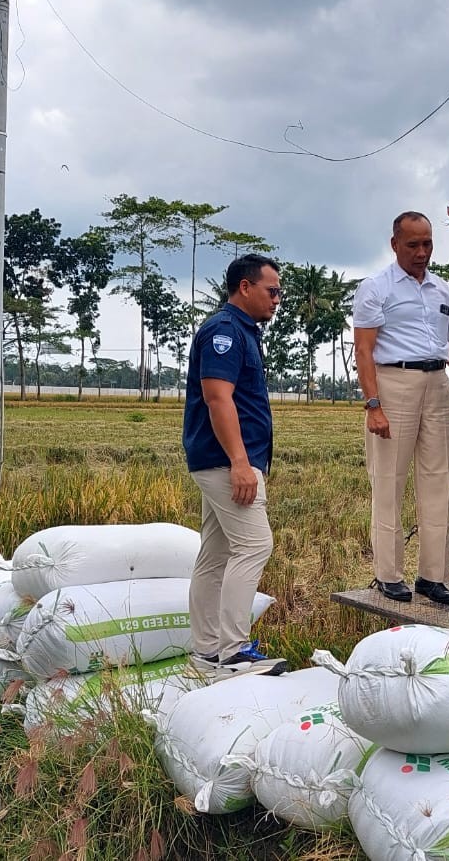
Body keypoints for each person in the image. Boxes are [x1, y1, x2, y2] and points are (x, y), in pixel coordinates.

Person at [354, 211, 449, 604]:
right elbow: (364, 350)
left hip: (438, 385)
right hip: (393, 383)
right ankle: (389, 574)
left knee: (438, 480)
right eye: (413, 245)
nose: (422, 252)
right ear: (394, 245)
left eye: (428, 244)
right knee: (389, 480)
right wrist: (374, 405)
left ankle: (432, 576)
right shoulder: (376, 288)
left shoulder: (443, 292)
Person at [183, 253, 282, 670]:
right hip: (226, 462)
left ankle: (206, 650)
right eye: (271, 291)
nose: (277, 299)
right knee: (256, 545)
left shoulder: (241, 331)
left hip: (221, 459)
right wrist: (240, 463)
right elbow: (217, 398)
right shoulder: (224, 331)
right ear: (245, 287)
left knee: (216, 554)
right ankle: (234, 651)